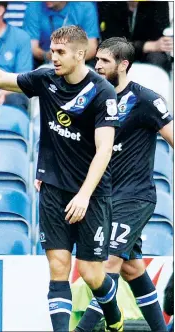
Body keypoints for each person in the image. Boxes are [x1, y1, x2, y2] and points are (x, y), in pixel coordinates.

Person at [0, 25, 125, 331]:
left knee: (92, 274)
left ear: (81, 54)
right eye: (52, 51)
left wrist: (84, 195)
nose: (54, 57)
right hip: (52, 188)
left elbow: (104, 150)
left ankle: (114, 317)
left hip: (90, 194)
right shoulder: (45, 78)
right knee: (58, 267)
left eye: (61, 52)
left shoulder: (101, 91)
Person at [75, 37, 173, 332]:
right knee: (132, 268)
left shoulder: (146, 100)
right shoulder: (94, 98)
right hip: (105, 196)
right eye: (98, 60)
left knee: (110, 264)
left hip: (135, 197)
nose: (98, 65)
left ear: (123, 64)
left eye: (105, 61)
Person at [98, 1, 173, 72]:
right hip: (118, 53)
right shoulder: (109, 4)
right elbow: (112, 45)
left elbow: (159, 39)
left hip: (148, 54)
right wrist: (146, 46)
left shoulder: (158, 3)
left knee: (158, 58)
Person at [23, 2, 100, 65]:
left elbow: (92, 47)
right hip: (45, 61)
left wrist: (69, 60)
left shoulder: (85, 7)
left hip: (79, 62)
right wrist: (47, 55)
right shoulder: (33, 7)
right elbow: (32, 47)